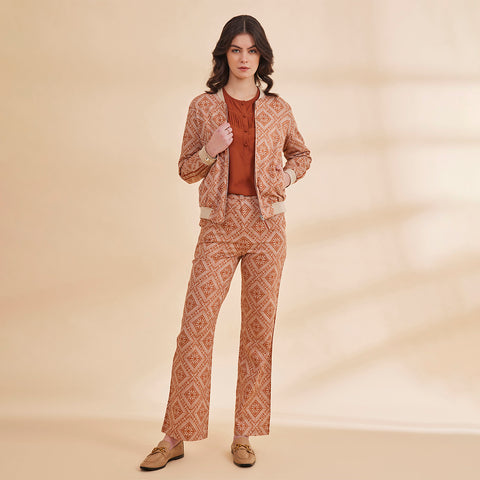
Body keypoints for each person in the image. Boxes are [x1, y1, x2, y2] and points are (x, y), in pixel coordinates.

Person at [139, 14, 312, 471]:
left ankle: (243, 435)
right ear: (224, 54)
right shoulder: (203, 107)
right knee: (195, 328)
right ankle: (174, 436)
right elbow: (186, 169)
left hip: (267, 228)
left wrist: (286, 177)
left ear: (261, 57)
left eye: (252, 50)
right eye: (236, 49)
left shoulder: (278, 109)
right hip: (218, 227)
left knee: (258, 331)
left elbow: (301, 154)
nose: (244, 58)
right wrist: (210, 148)